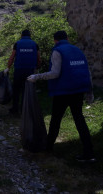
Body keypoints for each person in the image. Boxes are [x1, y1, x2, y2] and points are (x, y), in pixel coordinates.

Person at [27, 31, 95, 162]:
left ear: (55, 40)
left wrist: (37, 77)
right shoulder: (78, 50)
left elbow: (55, 73)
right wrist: (90, 91)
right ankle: (89, 152)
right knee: (79, 120)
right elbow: (87, 72)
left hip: (63, 91)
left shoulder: (58, 51)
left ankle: (48, 148)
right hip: (78, 90)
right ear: (67, 38)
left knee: (56, 119)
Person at [5, 29, 41, 114]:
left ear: (21, 35)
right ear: (30, 36)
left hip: (19, 71)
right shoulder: (35, 44)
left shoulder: (17, 43)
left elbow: (12, 57)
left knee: (16, 90)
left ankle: (15, 109)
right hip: (30, 71)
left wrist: (8, 67)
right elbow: (39, 58)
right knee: (27, 91)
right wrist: (38, 67)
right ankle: (25, 110)